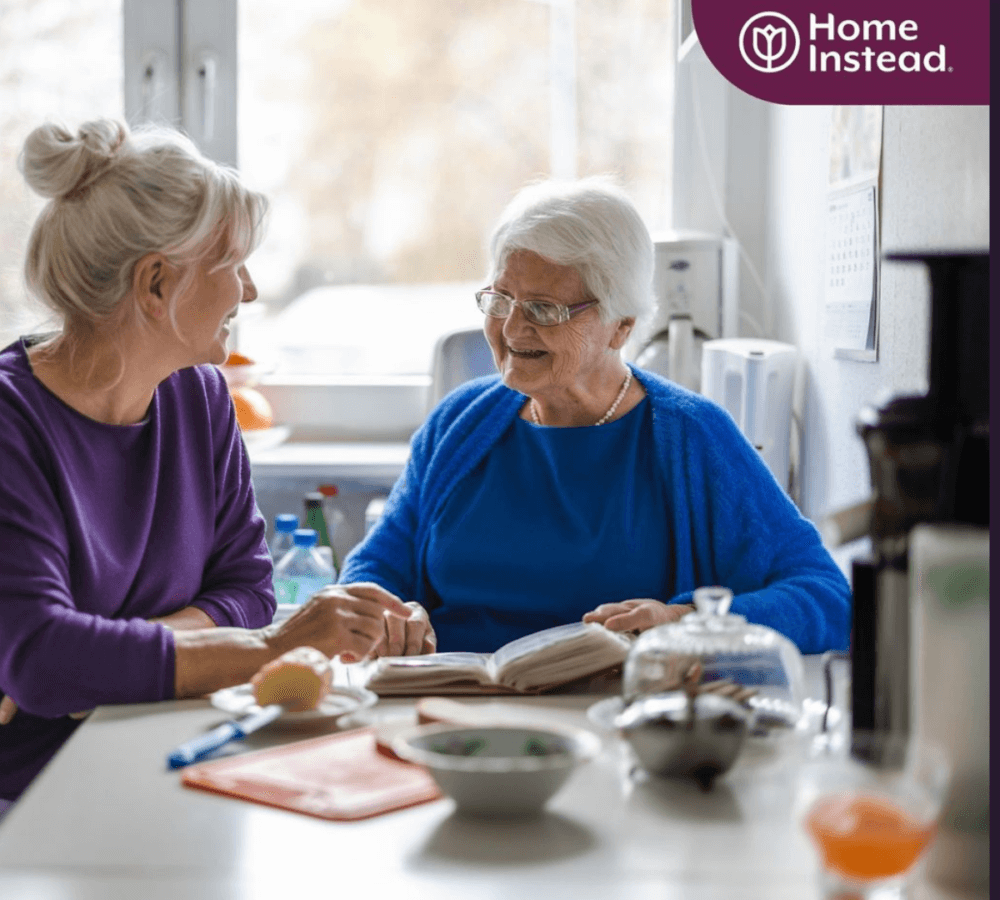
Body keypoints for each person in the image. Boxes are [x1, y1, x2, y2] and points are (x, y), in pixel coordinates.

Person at [0, 118, 412, 805]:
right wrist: (269, 649)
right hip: (39, 799)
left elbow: (248, 591)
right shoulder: (12, 423)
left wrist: (103, 653)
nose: (248, 292)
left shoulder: (200, 396)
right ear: (156, 284)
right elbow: (44, 659)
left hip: (178, 750)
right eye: (233, 266)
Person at [340, 176, 852, 657]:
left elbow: (828, 598)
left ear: (619, 327)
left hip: (615, 723)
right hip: (450, 712)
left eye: (544, 309)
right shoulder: (460, 422)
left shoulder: (693, 436)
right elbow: (373, 569)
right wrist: (388, 614)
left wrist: (684, 623)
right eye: (501, 299)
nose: (511, 328)